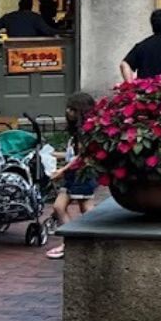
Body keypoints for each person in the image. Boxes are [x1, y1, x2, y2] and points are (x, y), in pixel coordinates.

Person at [44, 92, 97, 260]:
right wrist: (55, 155)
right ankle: (73, 240)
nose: (68, 112)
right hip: (72, 175)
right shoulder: (76, 132)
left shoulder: (85, 132)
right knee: (59, 207)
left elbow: (81, 157)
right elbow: (72, 154)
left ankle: (88, 241)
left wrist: (62, 170)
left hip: (82, 174)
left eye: (72, 109)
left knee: (86, 207)